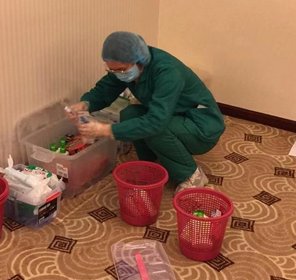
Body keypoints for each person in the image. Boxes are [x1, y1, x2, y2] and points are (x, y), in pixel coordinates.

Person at [67, 31, 225, 193]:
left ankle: (192, 175)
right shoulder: (124, 66)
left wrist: (106, 130)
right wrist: (85, 104)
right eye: (112, 70)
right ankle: (152, 163)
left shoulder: (167, 72)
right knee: (129, 114)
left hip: (201, 125)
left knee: (155, 128)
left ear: (139, 61)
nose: (117, 74)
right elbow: (104, 90)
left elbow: (156, 122)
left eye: (121, 70)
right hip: (173, 115)